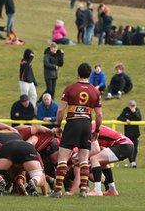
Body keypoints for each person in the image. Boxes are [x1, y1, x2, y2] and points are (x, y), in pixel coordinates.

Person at [51, 63, 102, 198]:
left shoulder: (70, 89)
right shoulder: (95, 91)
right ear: (90, 74)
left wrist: (57, 125)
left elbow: (61, 109)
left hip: (72, 123)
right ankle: (84, 190)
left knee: (63, 157)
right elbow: (99, 114)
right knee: (84, 158)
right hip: (86, 125)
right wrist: (96, 129)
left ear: (78, 73)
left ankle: (57, 191)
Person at [87, 124, 134, 196]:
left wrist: (83, 159)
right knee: (103, 163)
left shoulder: (91, 128)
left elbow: (95, 149)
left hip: (123, 145)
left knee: (94, 159)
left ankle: (97, 190)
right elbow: (99, 149)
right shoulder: (92, 126)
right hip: (127, 145)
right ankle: (112, 190)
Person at [117, 100, 141, 168]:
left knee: (135, 148)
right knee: (130, 148)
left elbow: (139, 118)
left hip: (135, 133)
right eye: (131, 105)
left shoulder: (137, 110)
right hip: (128, 133)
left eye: (133, 105)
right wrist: (125, 120)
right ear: (129, 105)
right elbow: (119, 118)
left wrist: (134, 112)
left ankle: (133, 162)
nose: (132, 107)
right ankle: (131, 162)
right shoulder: (125, 110)